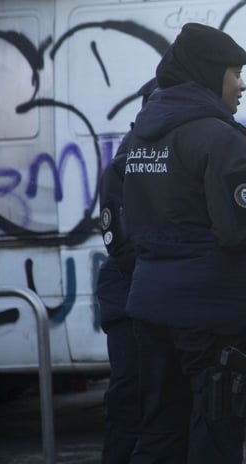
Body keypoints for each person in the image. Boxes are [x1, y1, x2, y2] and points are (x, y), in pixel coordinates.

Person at [122, 23, 246, 463]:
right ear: (208, 74)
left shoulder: (141, 135)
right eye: (234, 72)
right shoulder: (219, 136)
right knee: (215, 431)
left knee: (159, 430)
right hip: (210, 313)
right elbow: (239, 228)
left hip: (151, 306)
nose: (242, 83)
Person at [96, 77, 157, 464]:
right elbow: (123, 244)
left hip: (142, 293)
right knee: (133, 399)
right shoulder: (131, 159)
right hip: (131, 295)